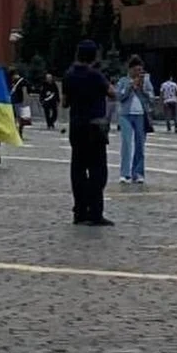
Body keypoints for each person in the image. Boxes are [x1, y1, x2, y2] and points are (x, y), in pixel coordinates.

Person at [63, 41, 116, 226]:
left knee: (77, 169)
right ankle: (95, 212)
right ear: (94, 56)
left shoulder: (69, 75)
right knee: (97, 171)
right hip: (95, 127)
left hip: (76, 126)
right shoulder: (95, 75)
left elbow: (64, 103)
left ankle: (79, 211)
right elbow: (112, 93)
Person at [116, 55, 154, 185]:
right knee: (126, 143)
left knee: (140, 144)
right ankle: (124, 173)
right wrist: (130, 87)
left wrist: (142, 89)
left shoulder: (146, 81)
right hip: (126, 114)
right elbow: (119, 96)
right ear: (130, 70)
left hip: (141, 114)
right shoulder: (123, 81)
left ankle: (138, 173)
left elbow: (151, 98)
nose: (139, 73)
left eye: (141, 70)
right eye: (136, 70)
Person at [9, 72, 29, 138]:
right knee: (17, 118)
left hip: (19, 101)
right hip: (14, 101)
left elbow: (24, 91)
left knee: (20, 118)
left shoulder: (22, 81)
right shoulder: (14, 81)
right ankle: (17, 132)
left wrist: (25, 101)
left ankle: (19, 132)